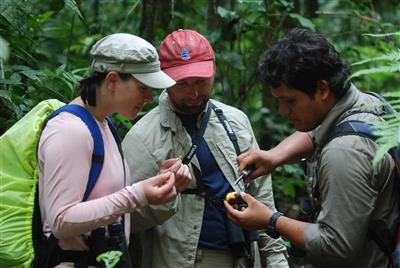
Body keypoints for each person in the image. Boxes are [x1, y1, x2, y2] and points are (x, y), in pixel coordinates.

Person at [224, 28, 400, 268]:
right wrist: (273, 157)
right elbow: (318, 133)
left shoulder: (345, 153)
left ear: (322, 89)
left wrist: (270, 219)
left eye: (290, 101)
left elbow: (337, 245)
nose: (283, 111)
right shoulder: (365, 103)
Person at [122, 29, 288, 268]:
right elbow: (125, 221)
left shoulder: (235, 121)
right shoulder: (143, 138)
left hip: (245, 255)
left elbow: (261, 197)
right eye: (182, 84)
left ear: (214, 71)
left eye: (201, 81)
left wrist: (276, 260)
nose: (194, 93)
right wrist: (163, 195)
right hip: (184, 258)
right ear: (164, 79)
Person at [37, 33, 191, 267]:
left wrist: (159, 181)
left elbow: (101, 196)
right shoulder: (70, 130)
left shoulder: (103, 123)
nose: (150, 97)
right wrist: (138, 195)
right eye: (143, 88)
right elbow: (61, 220)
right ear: (111, 80)